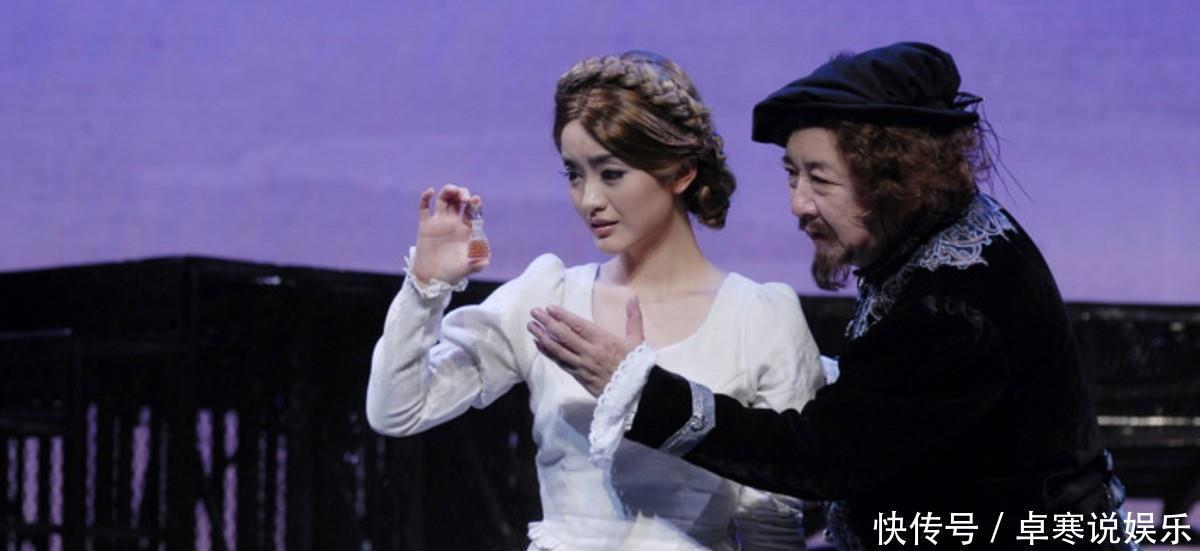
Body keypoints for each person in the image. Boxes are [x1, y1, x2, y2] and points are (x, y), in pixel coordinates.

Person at [530, 43, 1135, 550]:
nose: (799, 204)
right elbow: (903, 401)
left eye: (819, 179)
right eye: (791, 174)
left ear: (894, 178)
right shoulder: (936, 233)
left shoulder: (953, 301)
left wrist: (643, 392)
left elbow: (823, 458)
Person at [365, 50, 825, 550]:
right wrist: (425, 290)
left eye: (611, 174)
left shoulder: (758, 319)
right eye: (574, 174)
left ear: (681, 171)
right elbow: (398, 411)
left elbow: (771, 528)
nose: (589, 200)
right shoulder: (549, 298)